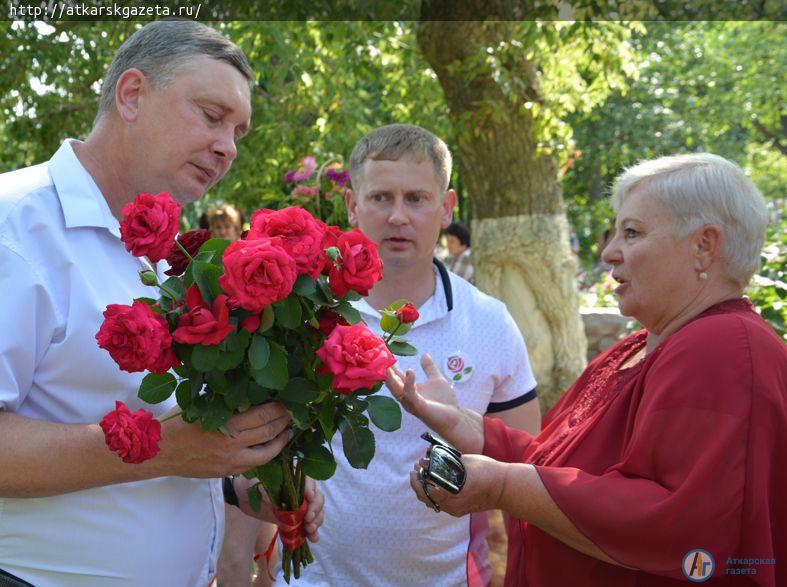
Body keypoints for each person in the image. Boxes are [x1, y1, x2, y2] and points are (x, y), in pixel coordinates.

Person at [0, 21, 322, 587]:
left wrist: (237, 478)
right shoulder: (15, 226)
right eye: (212, 115)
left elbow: (161, 431)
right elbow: (160, 447)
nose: (228, 147)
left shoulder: (167, 255)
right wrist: (163, 453)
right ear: (131, 95)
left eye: (239, 132)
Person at [388, 153, 786, 586]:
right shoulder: (641, 345)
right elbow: (565, 465)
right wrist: (472, 429)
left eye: (631, 233)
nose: (609, 252)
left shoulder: (723, 346)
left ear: (704, 246)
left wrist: (503, 486)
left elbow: (675, 524)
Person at [287, 124, 541, 586]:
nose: (398, 216)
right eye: (381, 197)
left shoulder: (489, 323)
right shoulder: (305, 315)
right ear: (352, 206)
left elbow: (531, 471)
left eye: (417, 199)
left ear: (446, 208)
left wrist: (461, 430)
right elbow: (257, 460)